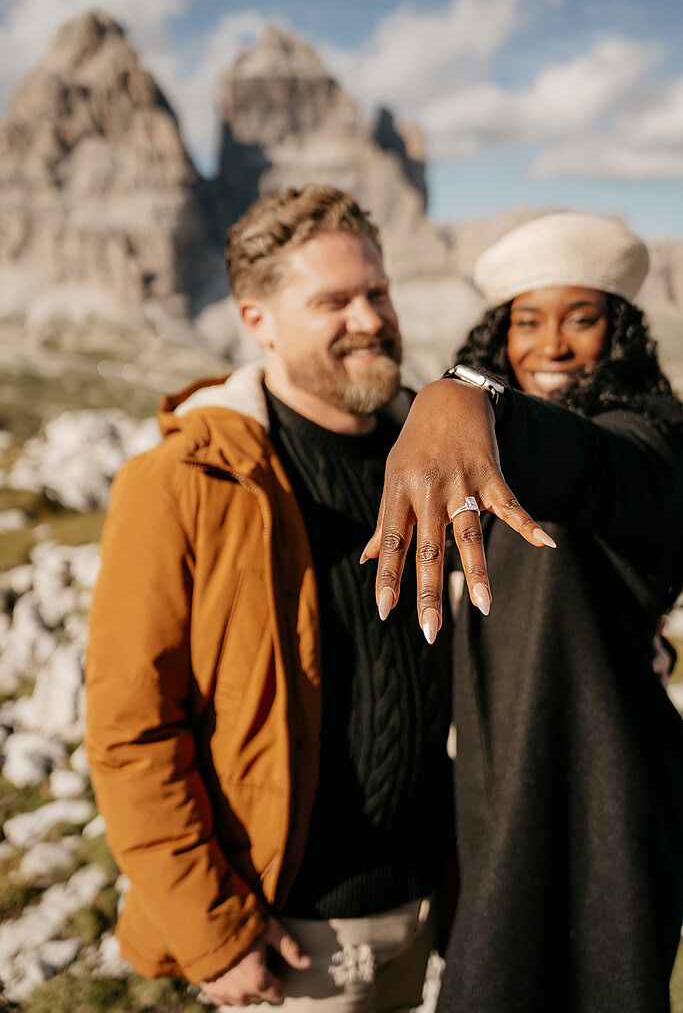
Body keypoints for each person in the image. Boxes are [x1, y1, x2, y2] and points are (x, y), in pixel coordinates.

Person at [85, 185, 453, 1011]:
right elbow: (131, 727)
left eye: (377, 291)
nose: (368, 318)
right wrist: (215, 932)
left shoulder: (436, 455)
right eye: (333, 301)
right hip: (291, 943)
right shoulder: (181, 481)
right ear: (258, 320)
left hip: (434, 911)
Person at [363, 212, 683, 1012]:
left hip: (606, 799)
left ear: (621, 331)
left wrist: (468, 404)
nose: (552, 345)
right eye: (526, 322)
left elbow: (587, 464)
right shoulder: (463, 471)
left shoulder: (648, 442)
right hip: (489, 792)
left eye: (581, 318)